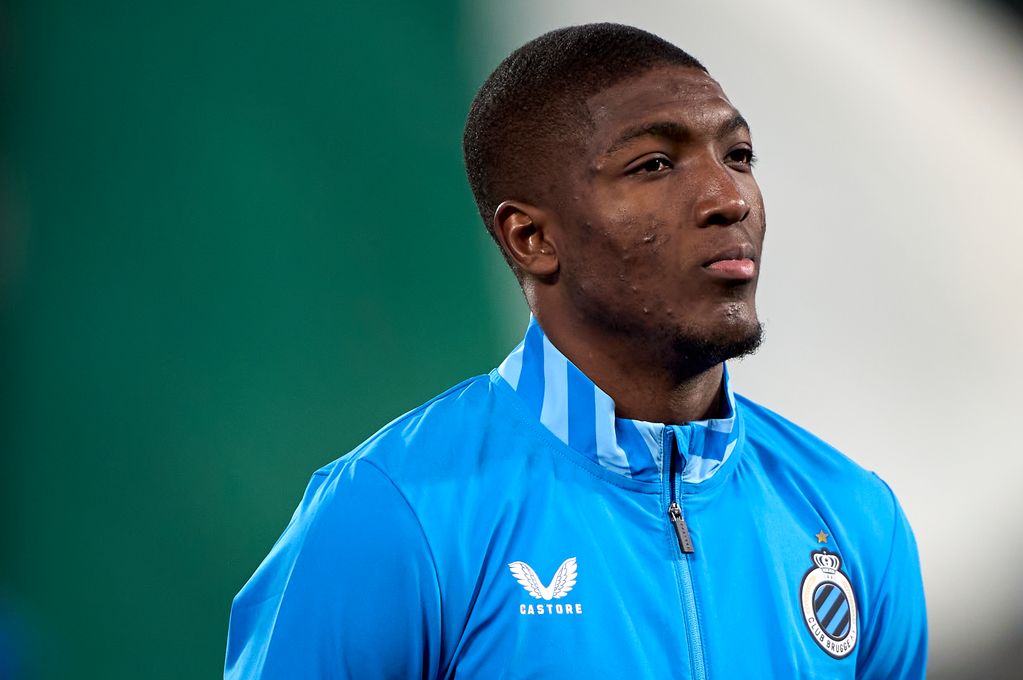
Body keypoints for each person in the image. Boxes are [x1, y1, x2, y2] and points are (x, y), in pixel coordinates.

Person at [225, 23, 927, 679]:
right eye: (654, 165)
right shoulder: (393, 511)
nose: (727, 197)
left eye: (737, 155)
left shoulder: (852, 515)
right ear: (532, 239)